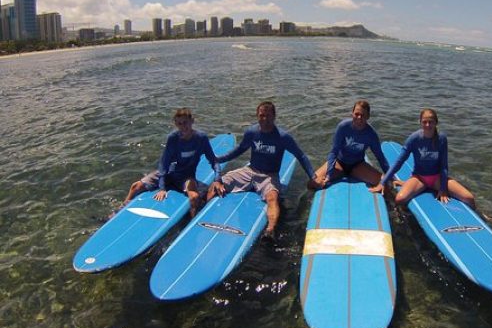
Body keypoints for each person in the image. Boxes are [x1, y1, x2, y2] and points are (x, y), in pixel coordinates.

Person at [208, 101, 318, 237]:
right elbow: (240, 149)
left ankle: (270, 230)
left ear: (274, 116)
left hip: (269, 176)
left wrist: (313, 177)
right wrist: (220, 159)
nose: (264, 119)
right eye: (261, 115)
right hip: (250, 170)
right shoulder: (251, 132)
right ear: (257, 116)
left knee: (272, 198)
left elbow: (300, 155)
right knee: (217, 184)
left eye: (268, 116)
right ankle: (203, 212)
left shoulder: (283, 137)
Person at [370, 108, 479, 211]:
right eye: (424, 122)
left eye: (430, 122)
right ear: (420, 122)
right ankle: (402, 215)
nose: (427, 125)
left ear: (436, 122)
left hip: (437, 178)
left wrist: (443, 188)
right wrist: (382, 183)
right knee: (399, 199)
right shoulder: (414, 138)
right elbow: (399, 162)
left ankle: (480, 218)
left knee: (469, 198)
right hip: (419, 178)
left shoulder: (441, 139)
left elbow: (444, 166)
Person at [122, 107, 221, 217]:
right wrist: (162, 188)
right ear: (175, 124)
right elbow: (164, 164)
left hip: (186, 176)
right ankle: (120, 211)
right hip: (168, 173)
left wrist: (217, 179)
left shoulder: (201, 138)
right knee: (135, 186)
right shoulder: (173, 138)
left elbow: (213, 160)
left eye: (185, 123)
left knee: (194, 197)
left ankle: (192, 220)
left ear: (192, 121)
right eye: (179, 124)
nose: (183, 127)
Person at [308, 100, 391, 189]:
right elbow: (334, 152)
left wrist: (390, 176)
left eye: (363, 115)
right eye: (356, 114)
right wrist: (329, 175)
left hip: (358, 166)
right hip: (339, 164)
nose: (359, 117)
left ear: (368, 117)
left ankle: (390, 201)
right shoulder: (343, 127)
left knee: (386, 183)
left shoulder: (371, 134)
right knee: (312, 183)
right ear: (352, 113)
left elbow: (380, 156)